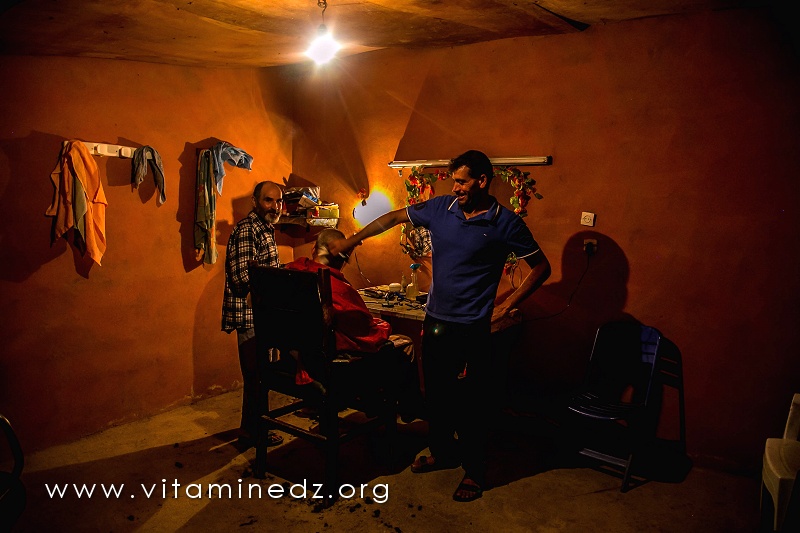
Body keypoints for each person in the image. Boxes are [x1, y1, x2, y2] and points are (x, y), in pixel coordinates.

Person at [328, 150, 551, 502]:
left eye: (462, 181)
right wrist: (353, 240)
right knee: (437, 395)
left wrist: (507, 306)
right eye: (454, 181)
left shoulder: (505, 222)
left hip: (474, 328)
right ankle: (444, 453)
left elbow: (541, 267)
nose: (455, 187)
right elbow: (393, 218)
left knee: (474, 403)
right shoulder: (441, 208)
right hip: (437, 322)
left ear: (481, 181)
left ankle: (475, 471)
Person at [285, 229, 418, 410]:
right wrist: (384, 325)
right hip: (331, 363)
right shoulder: (335, 287)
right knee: (405, 343)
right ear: (341, 259)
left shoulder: (294, 271)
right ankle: (405, 409)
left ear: (313, 249)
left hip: (301, 354)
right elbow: (368, 334)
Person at [222, 181, 285, 449]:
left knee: (259, 377)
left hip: (263, 316)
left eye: (279, 201)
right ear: (255, 201)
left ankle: (254, 430)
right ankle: (253, 433)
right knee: (256, 376)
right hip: (250, 316)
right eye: (269, 200)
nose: (275, 206)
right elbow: (242, 278)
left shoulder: (265, 229)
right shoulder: (248, 229)